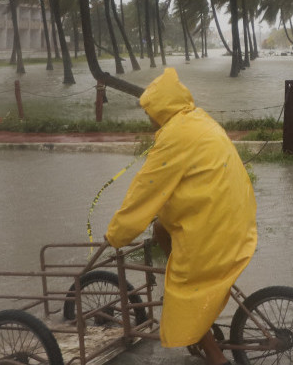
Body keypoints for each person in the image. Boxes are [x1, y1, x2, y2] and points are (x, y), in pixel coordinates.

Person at [105, 68, 258, 365]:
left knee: (183, 292)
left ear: (162, 108)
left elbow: (145, 190)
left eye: (150, 111)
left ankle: (216, 358)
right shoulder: (198, 119)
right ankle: (204, 327)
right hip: (236, 216)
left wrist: (116, 234)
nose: (149, 118)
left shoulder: (174, 136)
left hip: (214, 227)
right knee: (162, 228)